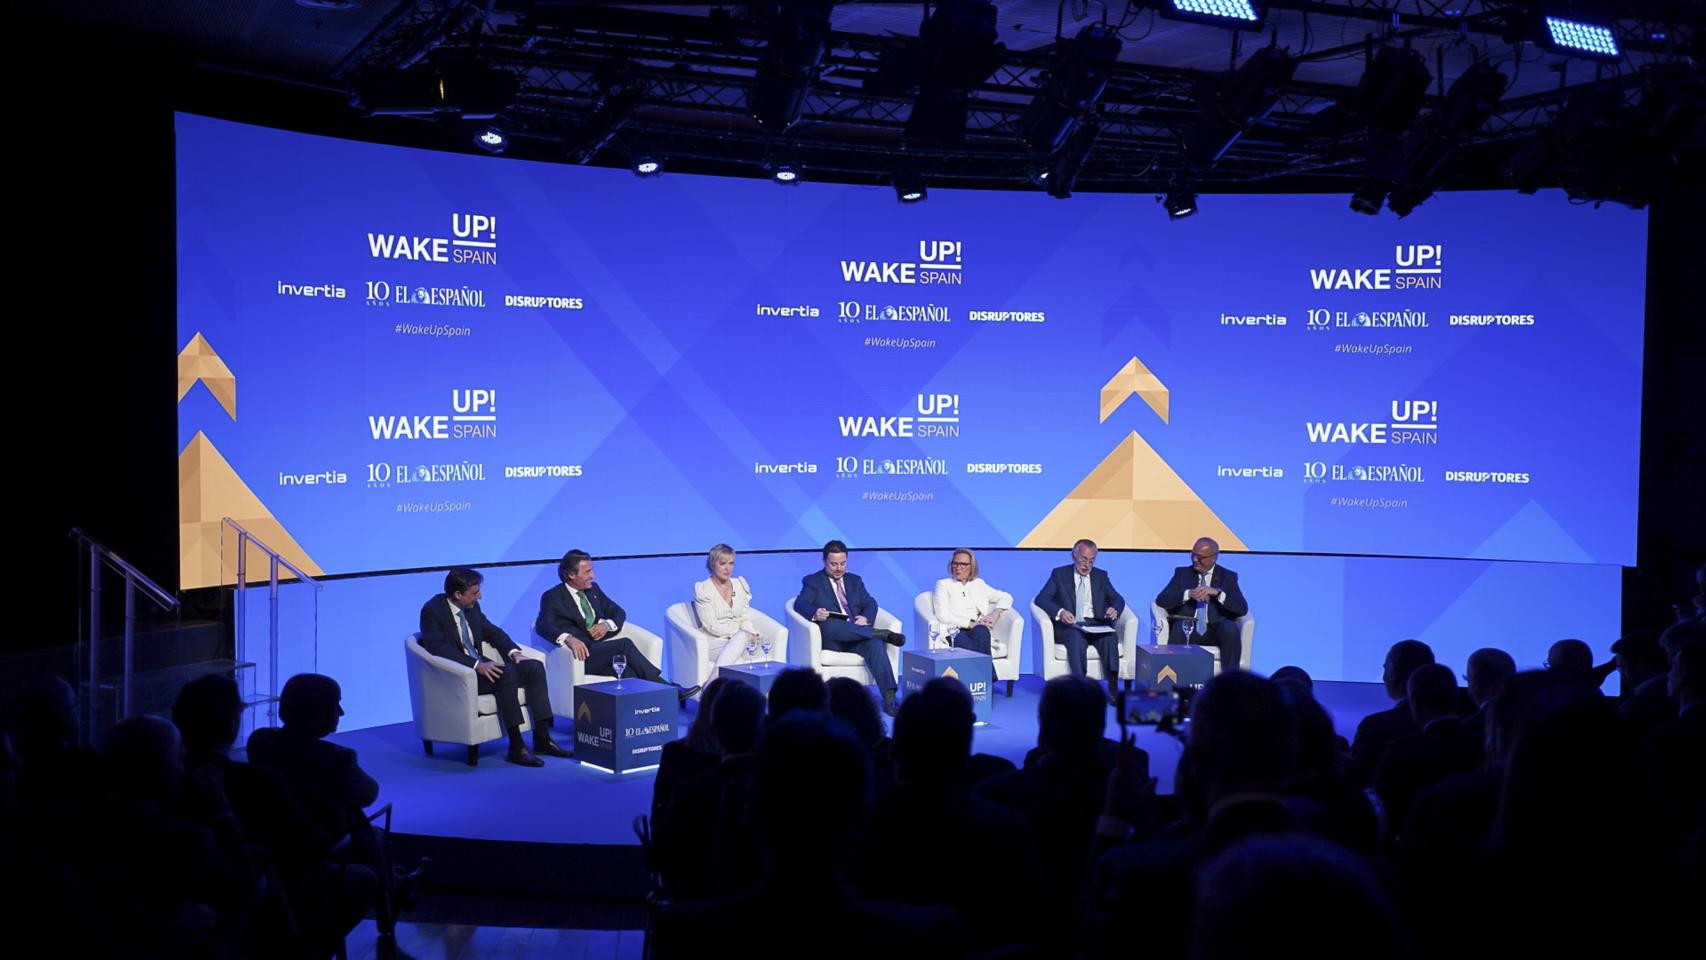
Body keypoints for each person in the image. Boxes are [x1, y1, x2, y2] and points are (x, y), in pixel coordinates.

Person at [420, 567, 569, 766]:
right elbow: (437, 647)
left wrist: (514, 652)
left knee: (534, 667)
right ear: (457, 594)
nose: (479, 597)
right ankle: (516, 747)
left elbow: (493, 632)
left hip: (484, 669)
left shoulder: (472, 609)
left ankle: (543, 739)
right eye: (474, 593)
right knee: (505, 673)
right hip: (460, 676)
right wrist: (476, 665)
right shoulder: (432, 611)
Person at [537, 549, 699, 703]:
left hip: (600, 653)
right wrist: (568, 639)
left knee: (629, 672)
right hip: (579, 658)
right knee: (624, 644)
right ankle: (671, 688)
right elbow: (543, 624)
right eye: (587, 572)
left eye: (592, 570)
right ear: (571, 575)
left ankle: (655, 707)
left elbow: (618, 612)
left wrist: (607, 625)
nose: (593, 575)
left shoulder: (593, 590)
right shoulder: (553, 596)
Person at [795, 540, 903, 716]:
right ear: (824, 562)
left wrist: (866, 617)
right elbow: (800, 603)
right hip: (833, 639)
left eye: (843, 563)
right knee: (829, 625)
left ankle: (890, 699)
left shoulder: (855, 580)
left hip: (857, 636)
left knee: (875, 644)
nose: (839, 568)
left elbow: (870, 602)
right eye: (834, 564)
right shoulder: (813, 581)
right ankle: (882, 634)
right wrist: (815, 612)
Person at [1034, 539, 1126, 700]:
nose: (1087, 565)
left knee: (1110, 637)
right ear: (1074, 556)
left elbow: (1118, 599)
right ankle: (1081, 688)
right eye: (1083, 559)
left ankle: (1113, 690)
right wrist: (1060, 612)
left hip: (1096, 624)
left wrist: (1114, 609)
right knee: (1076, 638)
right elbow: (1041, 599)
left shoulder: (1101, 576)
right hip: (1070, 625)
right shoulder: (1059, 574)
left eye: (1091, 560)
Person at [1154, 536, 1249, 668]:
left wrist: (1218, 593)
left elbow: (1241, 608)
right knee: (1180, 627)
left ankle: (1230, 682)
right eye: (1192, 555)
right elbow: (1162, 599)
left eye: (1200, 557)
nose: (1194, 559)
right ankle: (1173, 681)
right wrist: (1188, 594)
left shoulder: (1228, 577)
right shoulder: (1182, 573)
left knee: (1230, 628)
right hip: (1188, 628)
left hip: (1216, 630)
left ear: (1214, 558)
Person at [693, 544, 766, 678]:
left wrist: (752, 633)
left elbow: (743, 617)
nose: (728, 568)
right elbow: (710, 625)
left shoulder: (739, 585)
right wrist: (741, 634)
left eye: (731, 563)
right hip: (714, 640)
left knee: (738, 660)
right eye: (723, 563)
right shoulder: (703, 589)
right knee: (741, 646)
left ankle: (712, 683)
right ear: (713, 564)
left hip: (737, 641)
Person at [930, 548, 1012, 656]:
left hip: (978, 629)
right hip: (955, 630)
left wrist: (995, 614)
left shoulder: (979, 584)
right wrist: (971, 624)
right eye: (955, 564)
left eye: (963, 564)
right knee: (972, 648)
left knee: (982, 631)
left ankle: (983, 672)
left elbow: (1006, 597)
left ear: (971, 567)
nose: (958, 568)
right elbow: (942, 615)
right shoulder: (943, 584)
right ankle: (989, 674)